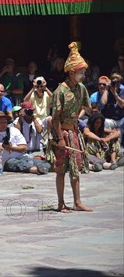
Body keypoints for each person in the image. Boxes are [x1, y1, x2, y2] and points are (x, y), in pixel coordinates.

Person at [48, 42, 93, 213]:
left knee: (75, 168)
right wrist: (60, 138)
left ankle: (77, 201)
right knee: (61, 170)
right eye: (81, 72)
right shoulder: (61, 90)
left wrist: (77, 118)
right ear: (72, 72)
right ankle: (61, 203)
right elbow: (55, 118)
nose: (83, 75)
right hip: (61, 133)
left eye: (83, 72)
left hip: (74, 132)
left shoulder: (81, 89)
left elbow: (86, 107)